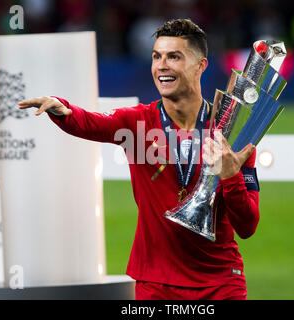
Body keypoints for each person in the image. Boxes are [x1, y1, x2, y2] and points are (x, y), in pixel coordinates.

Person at [18, 18, 260, 300]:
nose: (161, 65)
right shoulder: (137, 123)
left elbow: (247, 226)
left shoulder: (232, 134)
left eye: (174, 57)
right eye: (156, 57)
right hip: (156, 283)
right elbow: (89, 123)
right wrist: (63, 109)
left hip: (220, 284)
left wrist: (230, 176)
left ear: (200, 65)